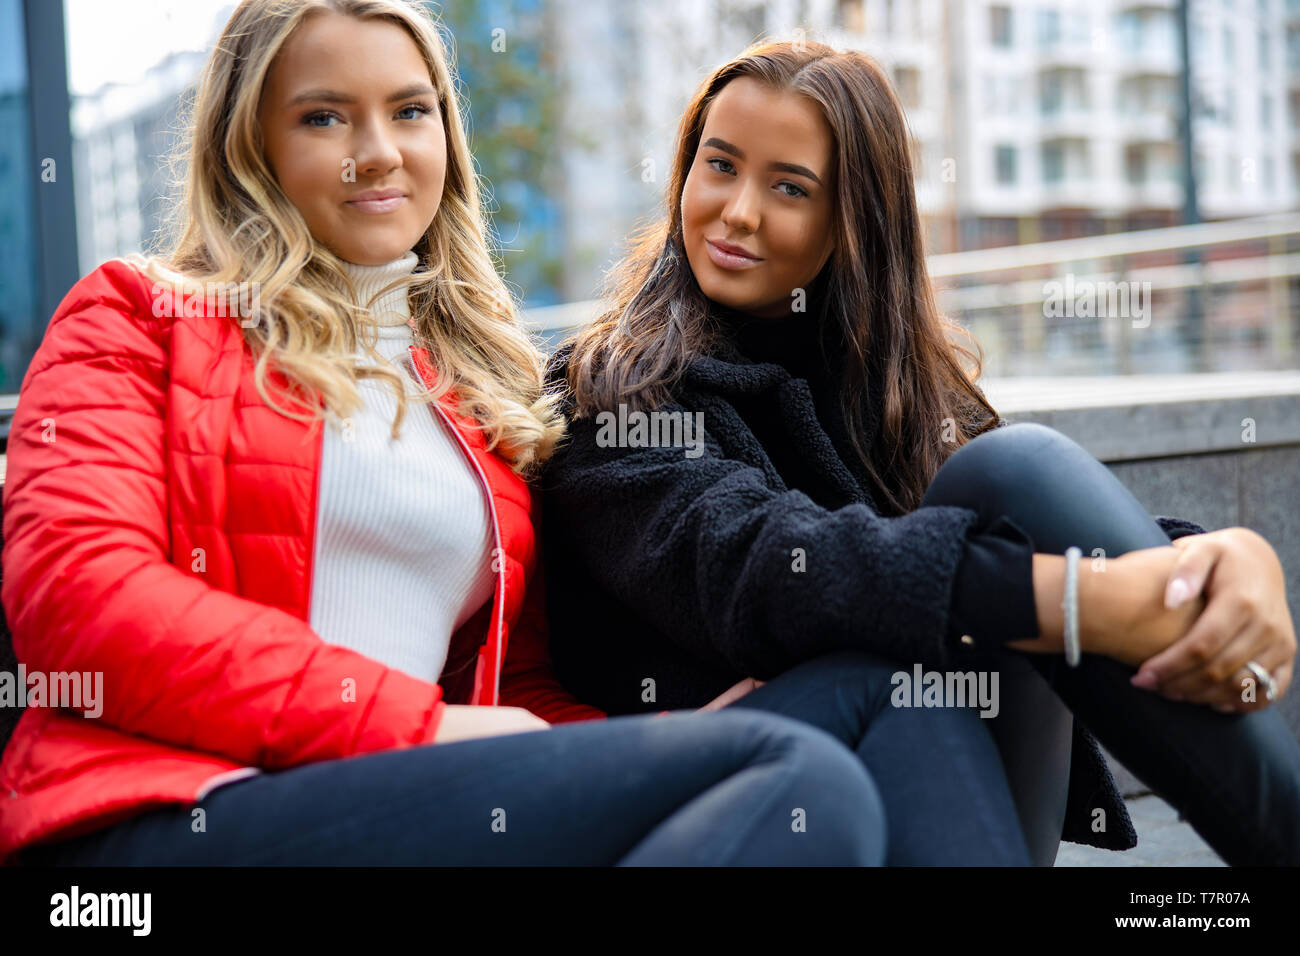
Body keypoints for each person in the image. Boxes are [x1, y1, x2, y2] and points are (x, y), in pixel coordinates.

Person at [1, 2, 888, 868]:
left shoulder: (474, 393)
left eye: (410, 110)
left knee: (853, 697)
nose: (379, 152)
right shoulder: (139, 317)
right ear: (251, 148)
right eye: (323, 117)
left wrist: (653, 748)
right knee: (802, 779)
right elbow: (78, 596)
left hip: (403, 795)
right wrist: (410, 724)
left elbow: (505, 692)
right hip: (170, 806)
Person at [540, 39, 1300, 865]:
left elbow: (1052, 533)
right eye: (718, 166)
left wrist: (1220, 560)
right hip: (746, 803)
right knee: (977, 586)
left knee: (1017, 472)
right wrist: (1086, 601)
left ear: (854, 221)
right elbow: (756, 565)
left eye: (788, 187)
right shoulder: (611, 389)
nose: (738, 212)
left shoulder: (898, 388)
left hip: (961, 788)